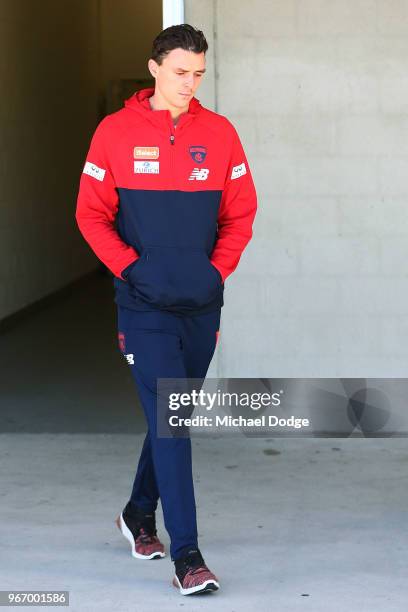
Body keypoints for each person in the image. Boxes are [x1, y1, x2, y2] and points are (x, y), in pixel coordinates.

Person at [75, 23, 257, 596]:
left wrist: (215, 272)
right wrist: (133, 270)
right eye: (180, 72)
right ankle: (188, 556)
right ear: (154, 67)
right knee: (174, 424)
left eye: (198, 74)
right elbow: (91, 215)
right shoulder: (114, 133)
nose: (189, 83)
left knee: (169, 419)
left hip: (201, 305)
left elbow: (241, 214)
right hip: (144, 306)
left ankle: (136, 513)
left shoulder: (221, 134)